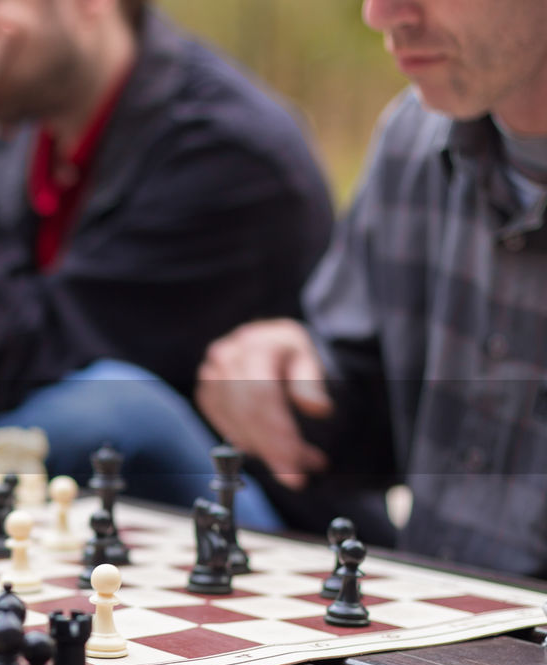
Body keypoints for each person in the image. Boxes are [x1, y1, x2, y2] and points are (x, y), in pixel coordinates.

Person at [0, 0, 333, 528]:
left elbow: (33, 385)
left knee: (120, 403)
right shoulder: (21, 141)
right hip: (78, 528)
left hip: (261, 547)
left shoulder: (223, 150)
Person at [197, 0, 547, 577]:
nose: (380, 14)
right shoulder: (412, 139)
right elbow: (368, 414)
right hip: (432, 630)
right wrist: (288, 378)